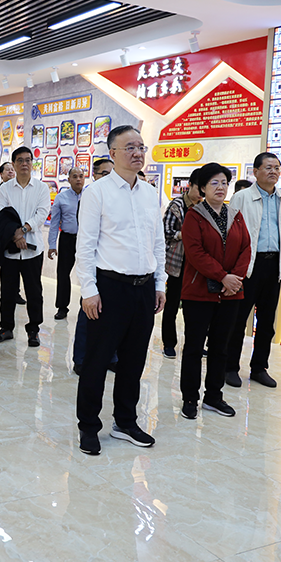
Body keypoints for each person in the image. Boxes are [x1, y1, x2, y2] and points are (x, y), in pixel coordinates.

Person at [75, 126, 165, 455]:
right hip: (109, 288)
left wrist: (159, 283)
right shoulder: (97, 192)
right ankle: (88, 426)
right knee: (97, 361)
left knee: (134, 360)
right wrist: (88, 290)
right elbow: (85, 245)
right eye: (130, 147)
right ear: (112, 153)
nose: (138, 153)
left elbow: (158, 242)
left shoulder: (149, 193)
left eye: (141, 147)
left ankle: (125, 422)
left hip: (144, 288)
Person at [178, 164, 251, 420]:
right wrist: (223, 276)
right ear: (202, 188)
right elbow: (195, 253)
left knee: (221, 347)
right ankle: (190, 398)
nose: (221, 188)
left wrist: (235, 279)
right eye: (214, 183)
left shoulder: (236, 215)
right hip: (198, 292)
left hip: (230, 293)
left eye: (224, 183)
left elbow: (246, 248)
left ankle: (213, 396)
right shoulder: (194, 216)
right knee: (194, 347)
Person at [224, 152, 281, 389]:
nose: (273, 171)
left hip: (274, 266)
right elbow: (230, 234)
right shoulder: (242, 197)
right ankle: (230, 367)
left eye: (277, 167)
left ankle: (259, 368)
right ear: (255, 172)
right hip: (247, 266)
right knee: (238, 319)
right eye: (268, 167)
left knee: (267, 321)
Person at [0, 146, 51, 347]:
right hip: (10, 249)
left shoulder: (41, 188)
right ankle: (6, 328)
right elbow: (0, 214)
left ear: (32, 163)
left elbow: (42, 213)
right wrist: (15, 235)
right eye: (20, 160)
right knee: (7, 291)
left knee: (34, 292)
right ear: (14, 164)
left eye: (28, 160)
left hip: (33, 250)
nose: (24, 164)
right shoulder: (5, 188)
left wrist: (23, 230)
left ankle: (34, 330)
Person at [71, 157, 115, 374]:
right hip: (95, 265)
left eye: (112, 173)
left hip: (115, 268)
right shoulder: (91, 197)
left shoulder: (118, 197)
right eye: (105, 174)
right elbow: (87, 239)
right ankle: (80, 358)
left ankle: (111, 357)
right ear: (95, 176)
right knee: (88, 313)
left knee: (112, 316)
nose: (109, 178)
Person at [160, 171, 202, 359]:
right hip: (178, 262)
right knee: (172, 304)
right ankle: (169, 343)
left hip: (197, 265)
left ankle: (195, 344)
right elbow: (166, 231)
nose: (200, 194)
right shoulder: (177, 205)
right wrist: (185, 235)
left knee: (195, 308)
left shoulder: (203, 207)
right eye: (198, 188)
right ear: (190, 185)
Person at [0, 161, 24, 306]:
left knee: (14, 266)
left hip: (13, 234)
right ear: (1, 174)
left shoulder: (18, 190)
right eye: (7, 170)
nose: (11, 172)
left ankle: (15, 293)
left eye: (12, 169)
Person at [48, 167, 83, 320]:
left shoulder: (90, 196)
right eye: (75, 176)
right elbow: (54, 222)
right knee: (63, 274)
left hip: (85, 240)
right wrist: (52, 245)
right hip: (67, 239)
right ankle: (62, 307)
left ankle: (87, 306)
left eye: (81, 176)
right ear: (69, 180)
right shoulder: (61, 198)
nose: (78, 179)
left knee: (89, 273)